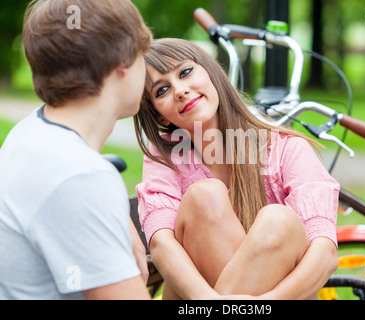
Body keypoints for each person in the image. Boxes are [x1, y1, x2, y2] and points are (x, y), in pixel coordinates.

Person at [134, 38, 340, 299]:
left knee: (279, 220)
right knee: (204, 196)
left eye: (185, 72)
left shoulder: (286, 148)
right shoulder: (166, 156)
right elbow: (161, 243)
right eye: (161, 90)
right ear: (159, 116)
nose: (180, 90)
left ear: (210, 73)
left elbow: (325, 252)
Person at [0, 0, 152, 299]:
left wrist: (119, 221)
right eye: (141, 54)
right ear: (121, 62)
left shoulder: (32, 130)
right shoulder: (79, 176)